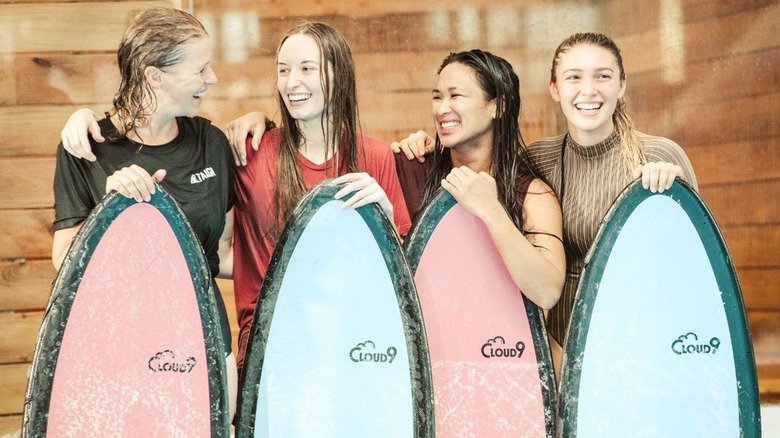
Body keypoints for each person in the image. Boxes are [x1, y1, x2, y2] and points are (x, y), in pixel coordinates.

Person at [392, 33, 698, 371]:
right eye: (574, 77)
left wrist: (668, 186)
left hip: (638, 347)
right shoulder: (542, 159)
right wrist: (420, 150)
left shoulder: (656, 158)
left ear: (622, 85)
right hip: (558, 349)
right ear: (555, 88)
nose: (588, 89)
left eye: (602, 76)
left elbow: (691, 263)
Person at [227, 49, 565, 312]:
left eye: (456, 96)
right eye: (437, 96)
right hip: (417, 354)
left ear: (498, 105)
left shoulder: (532, 194)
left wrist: (492, 212)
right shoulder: (410, 165)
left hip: (497, 353)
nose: (442, 108)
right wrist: (267, 126)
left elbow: (547, 292)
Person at [52, 7, 239, 419]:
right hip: (118, 350)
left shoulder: (211, 142)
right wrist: (112, 211)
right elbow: (65, 263)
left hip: (204, 342)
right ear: (155, 76)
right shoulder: (88, 148)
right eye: (201, 69)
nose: (212, 79)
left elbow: (224, 252)